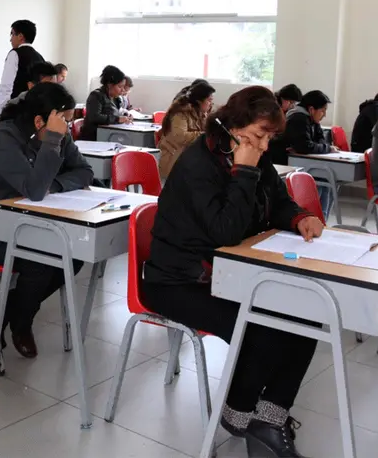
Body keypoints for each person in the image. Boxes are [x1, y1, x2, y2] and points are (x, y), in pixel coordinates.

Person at [144, 86, 323, 457]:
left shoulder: (253, 154)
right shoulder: (197, 165)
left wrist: (299, 216)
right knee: (262, 328)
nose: (263, 146)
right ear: (233, 127)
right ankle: (237, 414)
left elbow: (277, 199)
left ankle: (270, 419)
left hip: (228, 273)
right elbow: (225, 232)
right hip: (178, 280)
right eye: (258, 136)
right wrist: (244, 170)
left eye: (269, 138)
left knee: (308, 318)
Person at [0, 83, 93, 358]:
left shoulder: (57, 134)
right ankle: (22, 323)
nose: (66, 128)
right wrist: (52, 143)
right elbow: (34, 189)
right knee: (40, 260)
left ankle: (6, 308)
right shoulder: (4, 138)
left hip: (24, 223)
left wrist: (53, 183)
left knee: (73, 257)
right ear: (40, 120)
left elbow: (84, 171)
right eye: (62, 121)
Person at [275, 90, 338, 217]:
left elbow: (320, 139)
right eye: (322, 110)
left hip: (303, 161)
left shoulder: (312, 120)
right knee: (318, 183)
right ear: (311, 109)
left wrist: (322, 146)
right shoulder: (298, 118)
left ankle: (321, 218)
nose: (324, 114)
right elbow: (305, 146)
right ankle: (313, 216)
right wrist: (327, 148)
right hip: (285, 161)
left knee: (327, 182)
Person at [158, 80, 216, 178]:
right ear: (199, 101)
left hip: (187, 157)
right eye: (209, 100)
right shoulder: (180, 113)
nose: (211, 103)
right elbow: (180, 136)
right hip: (174, 158)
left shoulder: (201, 113)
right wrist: (204, 135)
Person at [0, 19, 46, 106]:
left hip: (16, 108)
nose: (10, 39)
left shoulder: (15, 54)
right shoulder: (40, 57)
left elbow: (6, 86)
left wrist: (1, 111)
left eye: (12, 34)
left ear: (20, 36)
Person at [81, 65, 132, 141]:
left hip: (108, 135)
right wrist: (117, 119)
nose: (122, 90)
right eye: (120, 87)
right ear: (110, 85)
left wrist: (125, 116)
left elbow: (114, 114)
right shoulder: (96, 96)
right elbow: (95, 117)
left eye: (123, 87)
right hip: (94, 137)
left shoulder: (115, 98)